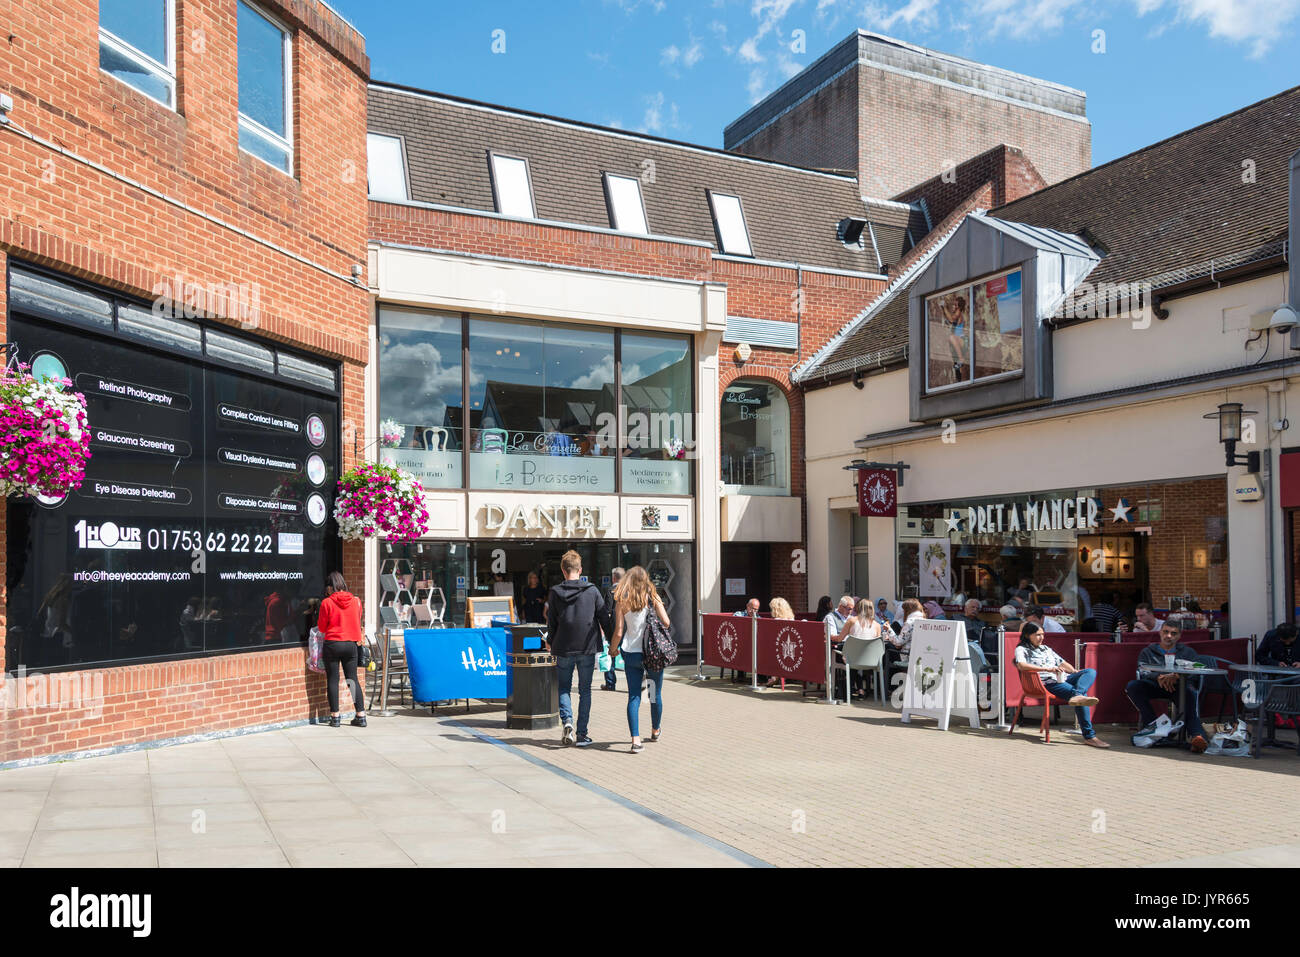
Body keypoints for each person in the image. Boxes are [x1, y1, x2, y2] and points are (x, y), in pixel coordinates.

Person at [1125, 620, 1227, 753]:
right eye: (1166, 632)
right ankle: (1154, 726)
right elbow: (1143, 671)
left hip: (1179, 687)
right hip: (1155, 685)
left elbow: (1196, 672)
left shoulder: (1188, 652)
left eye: (1173, 633)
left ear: (1179, 636)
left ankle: (1198, 737)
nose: (1169, 636)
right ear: (1160, 632)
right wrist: (1159, 677)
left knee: (1190, 695)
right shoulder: (1148, 651)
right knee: (1133, 686)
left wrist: (1177, 676)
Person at [547, 550, 611, 747]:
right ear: (580, 570)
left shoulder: (555, 592)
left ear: (563, 570)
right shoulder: (592, 591)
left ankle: (567, 722)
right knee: (585, 690)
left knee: (564, 687)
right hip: (587, 647)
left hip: (563, 646)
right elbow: (603, 617)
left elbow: (552, 622)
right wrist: (613, 642)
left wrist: (550, 640)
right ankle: (582, 734)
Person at [1013, 622, 1108, 748]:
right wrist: (1048, 669)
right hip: (1046, 683)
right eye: (1037, 635)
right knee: (1083, 696)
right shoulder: (1021, 649)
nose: (1041, 638)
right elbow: (1021, 665)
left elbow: (1062, 663)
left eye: (1042, 634)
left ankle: (1078, 695)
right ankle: (1089, 736)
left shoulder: (1046, 649)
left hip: (1062, 678)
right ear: (1027, 635)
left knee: (1090, 672)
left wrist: (1074, 672)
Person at [609, 565, 670, 753]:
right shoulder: (652, 597)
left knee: (634, 696)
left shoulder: (622, 600)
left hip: (631, 653)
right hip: (652, 654)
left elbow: (619, 631)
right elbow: (666, 623)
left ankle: (635, 740)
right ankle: (655, 730)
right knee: (654, 694)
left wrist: (613, 650)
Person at [317, 571, 367, 728]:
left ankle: (335, 717)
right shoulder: (356, 601)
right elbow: (357, 620)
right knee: (352, 679)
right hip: (351, 644)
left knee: (333, 680)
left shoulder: (326, 603)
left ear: (331, 587)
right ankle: (361, 715)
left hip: (332, 644)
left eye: (328, 587)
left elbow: (322, 627)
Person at [600, 567, 625, 690]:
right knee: (630, 656)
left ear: (613, 578)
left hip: (614, 629)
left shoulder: (610, 591)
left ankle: (610, 683)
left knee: (611, 654)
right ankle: (637, 686)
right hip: (629, 629)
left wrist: (604, 629)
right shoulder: (629, 591)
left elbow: (607, 612)